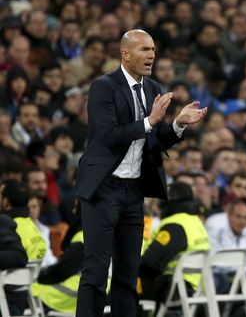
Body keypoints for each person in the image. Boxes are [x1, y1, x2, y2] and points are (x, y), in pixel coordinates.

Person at [75, 29, 207, 317]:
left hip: (134, 192)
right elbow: (108, 135)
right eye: (144, 49)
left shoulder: (152, 88)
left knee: (128, 274)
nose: (151, 55)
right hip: (103, 188)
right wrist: (149, 122)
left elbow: (154, 141)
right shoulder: (103, 87)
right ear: (125, 54)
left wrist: (177, 125)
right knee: (97, 271)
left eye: (153, 50)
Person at [138, 182, 210, 305]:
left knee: (123, 285)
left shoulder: (174, 226)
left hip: (172, 288)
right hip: (195, 287)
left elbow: (150, 262)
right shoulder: (195, 222)